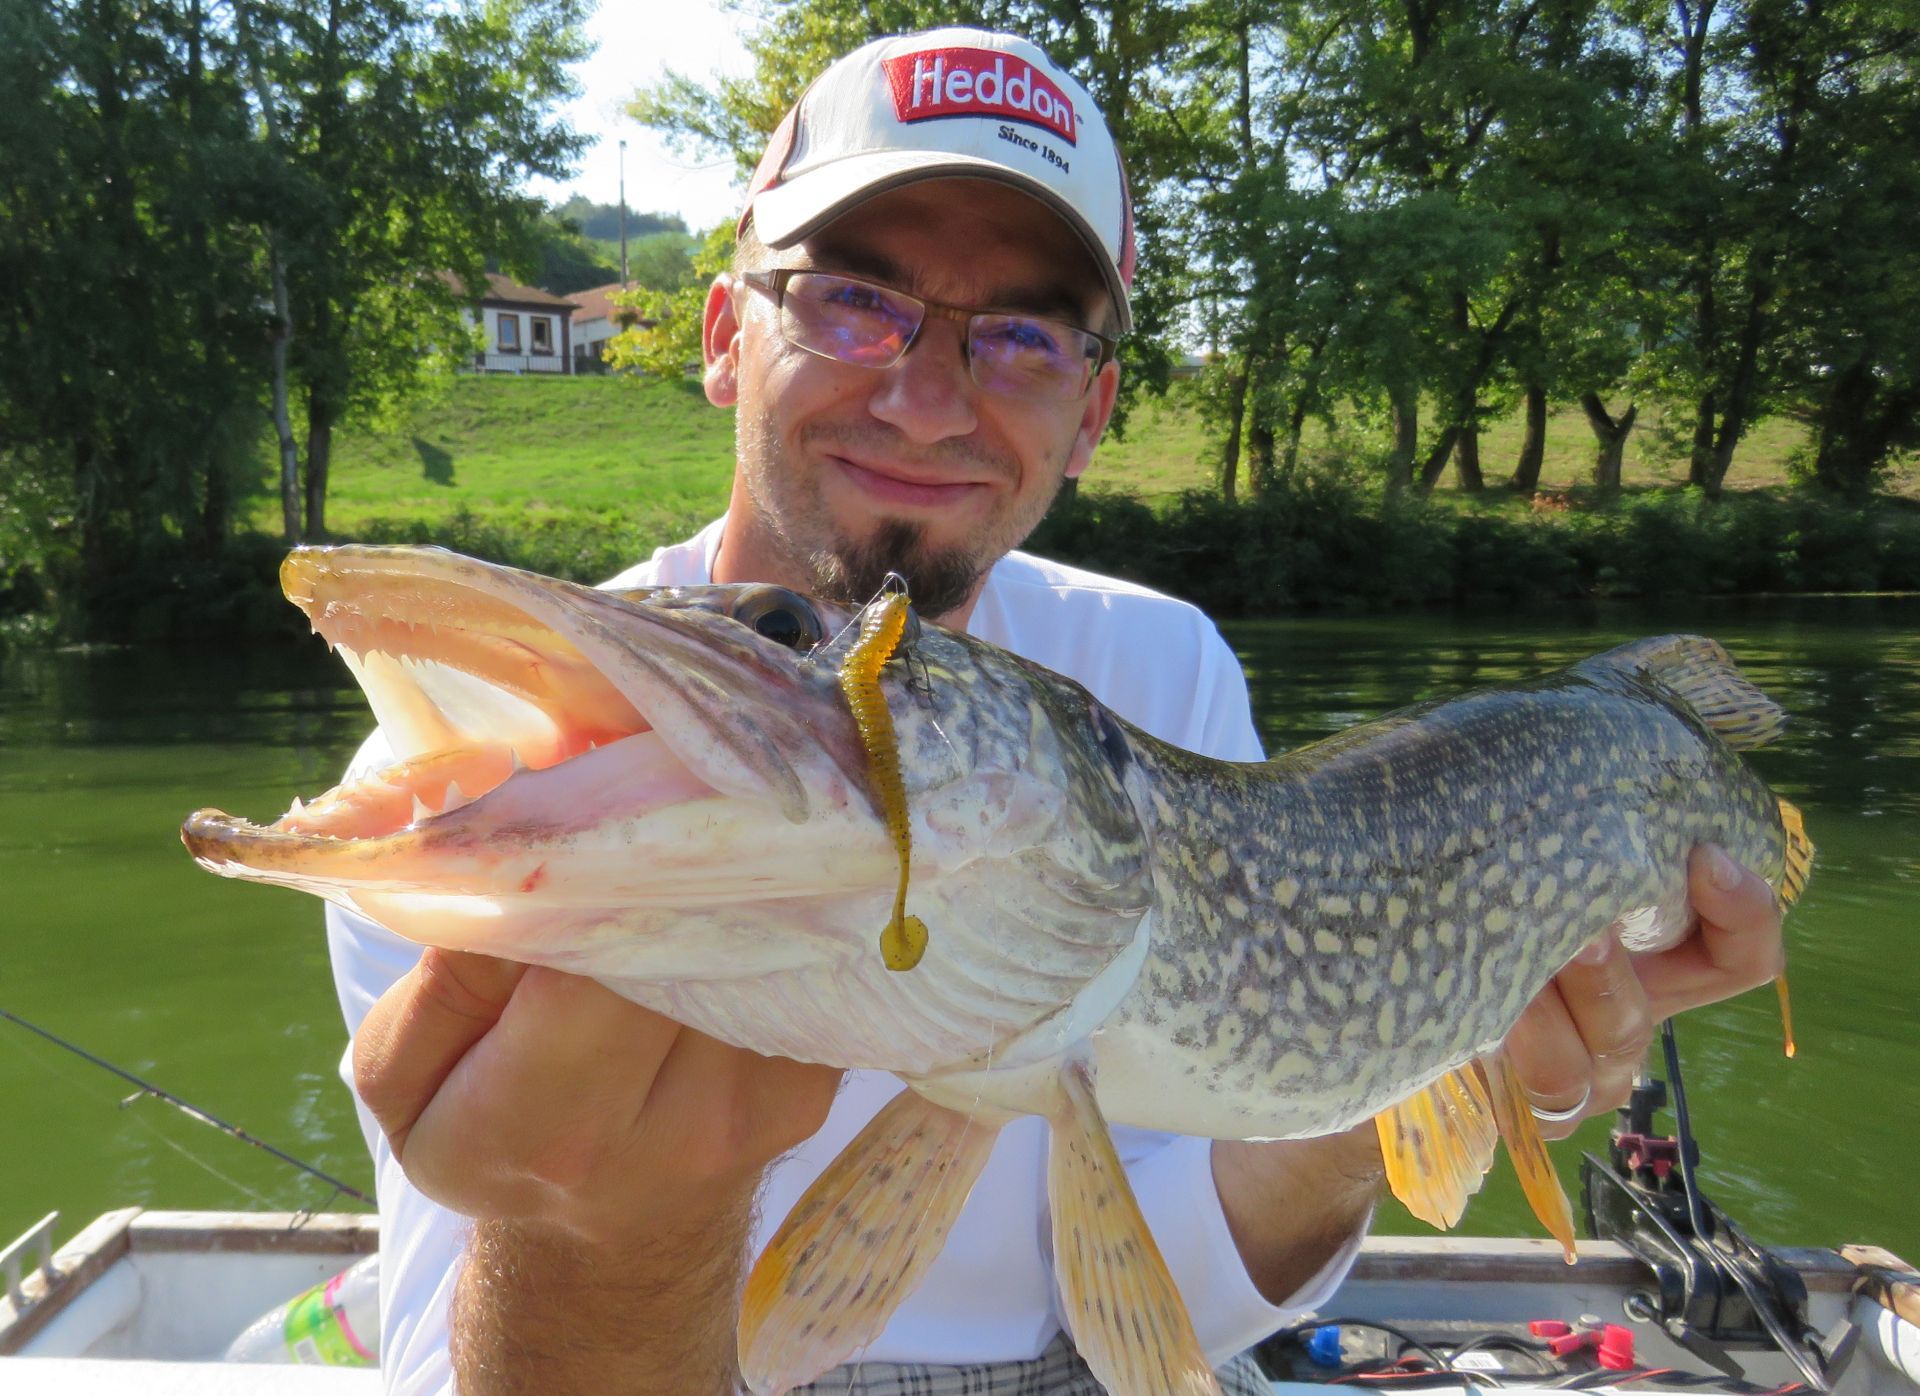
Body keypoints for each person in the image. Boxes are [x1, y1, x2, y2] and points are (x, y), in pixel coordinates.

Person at [328, 26, 1788, 1396]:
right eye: (854, 296)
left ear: (1092, 415)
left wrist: (1408, 1055)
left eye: (1023, 337)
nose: (925, 396)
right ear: (723, 333)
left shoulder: (1161, 666)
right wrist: (603, 1239)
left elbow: (1172, 1286)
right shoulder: (487, 776)